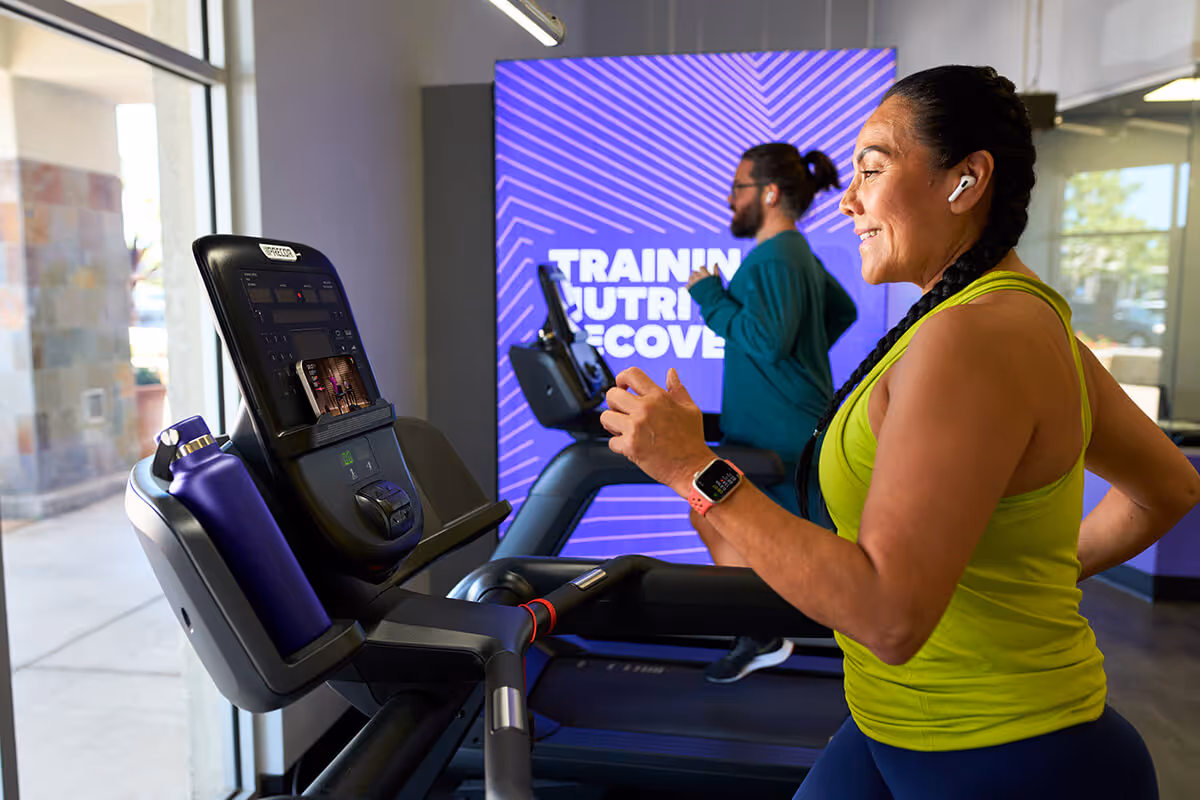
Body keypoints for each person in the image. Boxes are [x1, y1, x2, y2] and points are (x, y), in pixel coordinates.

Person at [599, 65, 1195, 799]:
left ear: (966, 179)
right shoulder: (1007, 320)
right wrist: (1017, 579)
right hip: (893, 726)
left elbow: (886, 615)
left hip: (1004, 753)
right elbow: (1168, 486)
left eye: (873, 168)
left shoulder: (972, 336)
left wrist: (694, 468)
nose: (848, 200)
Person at [687, 142, 857, 683]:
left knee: (710, 511)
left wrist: (709, 293)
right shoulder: (795, 253)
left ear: (770, 193)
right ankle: (760, 628)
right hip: (782, 425)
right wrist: (799, 361)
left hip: (781, 436)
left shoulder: (774, 256)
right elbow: (841, 310)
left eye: (738, 188)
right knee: (718, 515)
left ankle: (760, 630)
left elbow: (766, 340)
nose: (730, 199)